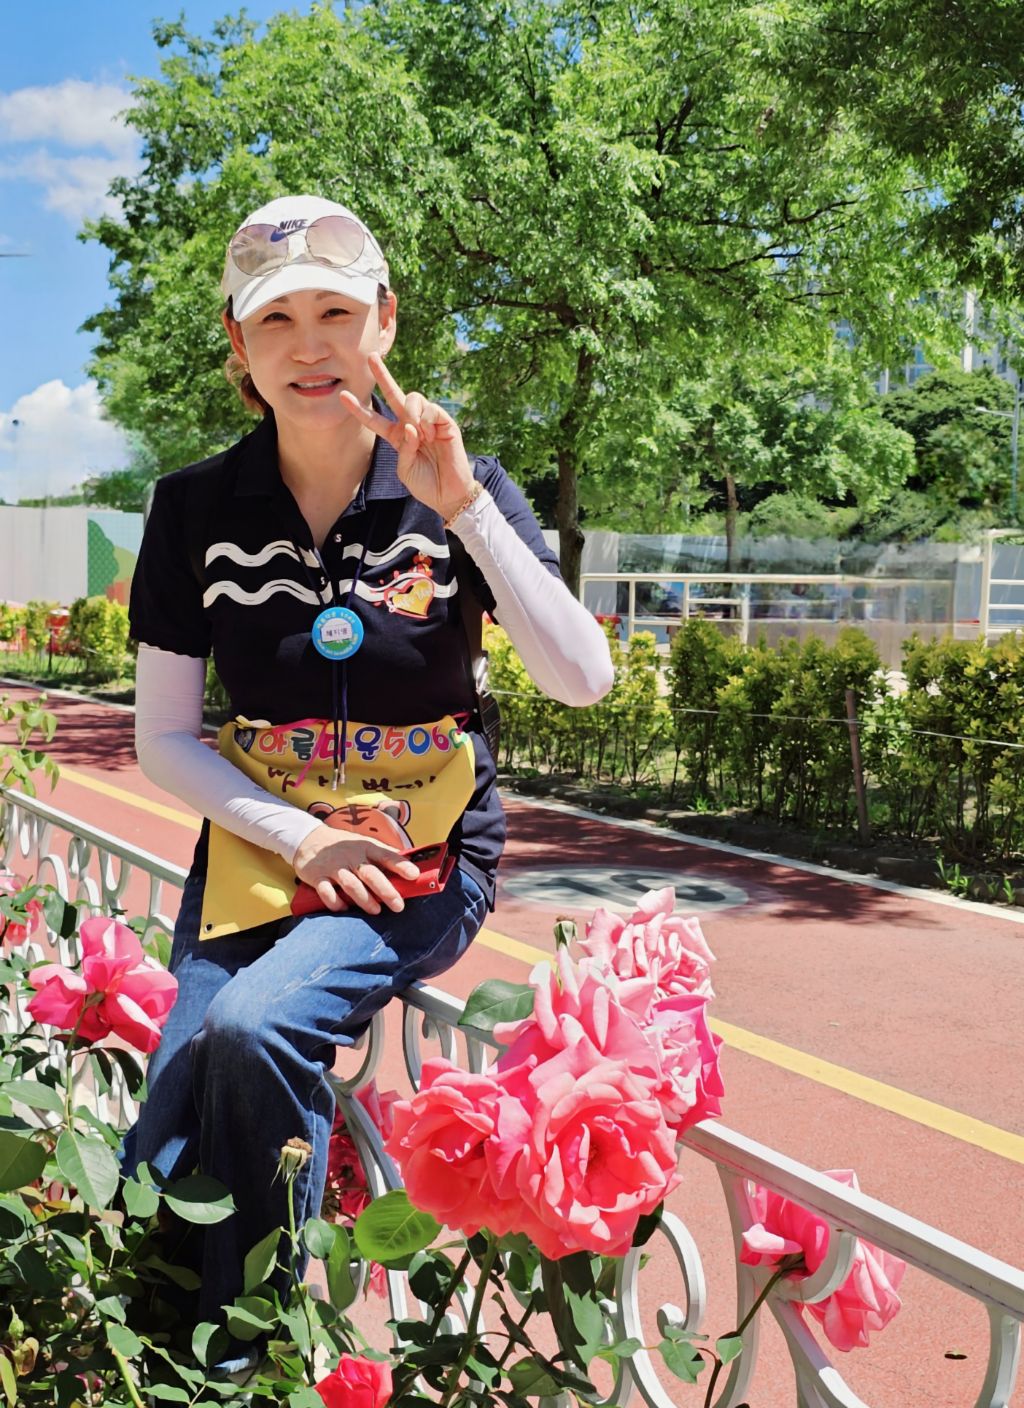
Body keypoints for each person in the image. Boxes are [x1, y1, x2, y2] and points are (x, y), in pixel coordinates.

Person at [121, 194, 614, 1368]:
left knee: (253, 1026)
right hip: (260, 850)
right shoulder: (193, 508)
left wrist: (467, 511)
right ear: (239, 345)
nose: (310, 344)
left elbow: (582, 678)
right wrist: (300, 838)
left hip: (420, 858)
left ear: (384, 321)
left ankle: (252, 1356)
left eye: (336, 312)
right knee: (165, 1132)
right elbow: (164, 737)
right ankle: (161, 1357)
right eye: (275, 319)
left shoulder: (460, 483)